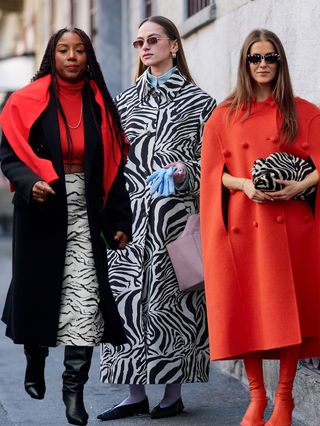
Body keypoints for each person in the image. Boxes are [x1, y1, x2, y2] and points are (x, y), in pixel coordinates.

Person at [0, 27, 132, 426]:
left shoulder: (99, 104)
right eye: (63, 50)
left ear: (88, 55)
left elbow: (113, 168)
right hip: (42, 208)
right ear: (51, 55)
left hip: (87, 212)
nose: (71, 56)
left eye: (78, 50)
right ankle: (34, 357)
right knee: (38, 292)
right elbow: (9, 156)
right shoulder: (25, 100)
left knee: (85, 301)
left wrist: (119, 222)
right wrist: (29, 184)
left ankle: (73, 392)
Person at [97, 15, 216, 421]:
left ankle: (172, 394)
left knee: (174, 305)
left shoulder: (201, 103)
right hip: (129, 221)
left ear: (174, 45)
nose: (144, 48)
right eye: (138, 43)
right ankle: (133, 394)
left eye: (152, 40)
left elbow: (216, 164)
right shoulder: (124, 102)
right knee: (126, 302)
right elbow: (110, 163)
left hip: (175, 223)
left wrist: (185, 173)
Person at [201, 28, 320, 426]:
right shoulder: (224, 114)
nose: (264, 64)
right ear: (245, 63)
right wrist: (245, 184)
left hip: (290, 229)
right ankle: (256, 398)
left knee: (289, 312)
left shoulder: (303, 111)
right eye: (256, 58)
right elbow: (214, 172)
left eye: (271, 58)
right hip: (244, 226)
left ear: (281, 63)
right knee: (247, 310)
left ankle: (283, 400)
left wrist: (300, 184)